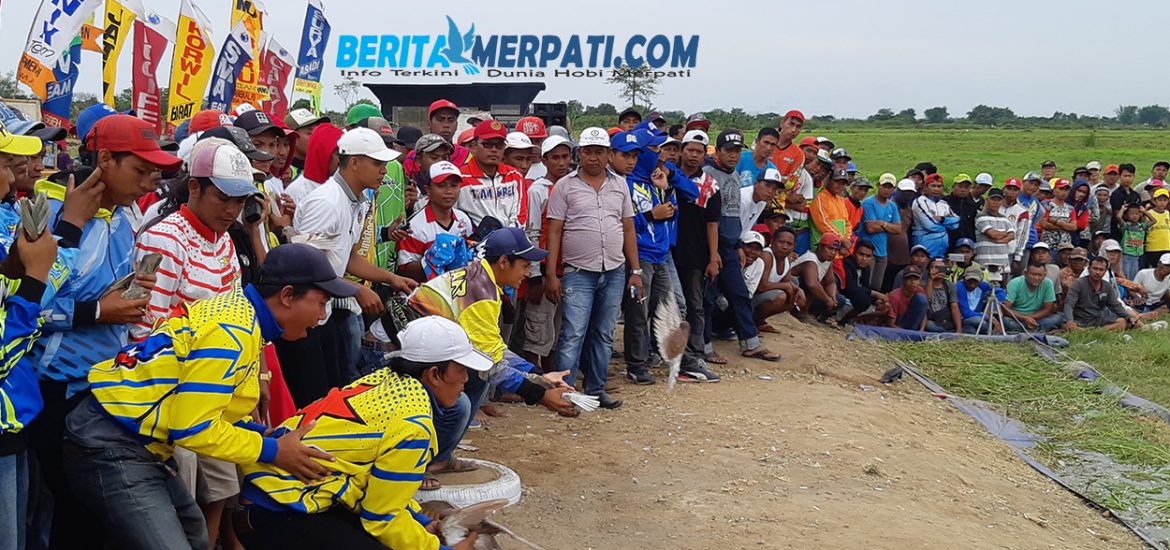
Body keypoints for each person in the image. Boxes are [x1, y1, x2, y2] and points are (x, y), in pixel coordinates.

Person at [62, 243, 357, 550]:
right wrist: (272, 450)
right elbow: (192, 427)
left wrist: (265, 435)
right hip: (109, 442)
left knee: (195, 536)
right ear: (287, 296)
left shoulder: (240, 313)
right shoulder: (232, 332)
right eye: (321, 303)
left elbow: (206, 405)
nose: (321, 316)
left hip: (128, 439)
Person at [27, 114, 181, 549]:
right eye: (140, 170)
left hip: (99, 385)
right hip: (52, 390)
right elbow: (25, 308)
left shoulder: (125, 215)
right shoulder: (54, 214)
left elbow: (102, 291)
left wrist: (130, 291)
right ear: (106, 160)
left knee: (96, 515)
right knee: (63, 515)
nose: (149, 182)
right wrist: (97, 310)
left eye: (155, 173)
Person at [237, 317, 495, 550]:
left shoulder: (380, 380)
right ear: (435, 374)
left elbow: (379, 489)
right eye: (461, 369)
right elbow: (381, 519)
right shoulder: (413, 426)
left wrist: (419, 519)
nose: (466, 379)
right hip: (277, 511)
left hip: (264, 497)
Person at [409, 227, 576, 477]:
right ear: (504, 262)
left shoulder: (482, 278)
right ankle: (420, 466)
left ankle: (440, 458)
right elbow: (490, 365)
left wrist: (540, 374)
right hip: (397, 357)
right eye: (524, 266)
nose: (528, 273)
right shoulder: (482, 292)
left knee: (474, 379)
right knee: (460, 400)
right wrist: (540, 394)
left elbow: (493, 350)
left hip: (416, 352)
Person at [288, 128, 417, 404]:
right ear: (355, 162)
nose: (384, 170)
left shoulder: (355, 200)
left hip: (323, 311)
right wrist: (357, 290)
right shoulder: (326, 203)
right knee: (312, 398)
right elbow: (304, 267)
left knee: (334, 390)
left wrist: (390, 278)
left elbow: (346, 257)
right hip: (303, 317)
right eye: (377, 163)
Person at [0, 124, 66, 550]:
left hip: (15, 419)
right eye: (6, 164)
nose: (14, 176)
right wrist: (36, 279)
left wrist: (13, 270)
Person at [543, 128, 642, 409]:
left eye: (600, 151)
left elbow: (628, 228)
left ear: (608, 154)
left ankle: (597, 389)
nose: (594, 157)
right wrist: (551, 274)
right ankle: (565, 394)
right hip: (578, 271)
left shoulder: (620, 184)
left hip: (614, 270)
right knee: (573, 333)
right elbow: (554, 231)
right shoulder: (565, 186)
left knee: (604, 332)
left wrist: (636, 271)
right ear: (580, 154)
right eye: (588, 151)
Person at [703, 129, 781, 362]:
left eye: (737, 151)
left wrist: (737, 245)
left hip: (729, 246)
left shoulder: (735, 177)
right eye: (729, 150)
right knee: (707, 298)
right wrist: (713, 252)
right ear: (718, 151)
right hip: (712, 247)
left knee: (739, 294)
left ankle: (750, 343)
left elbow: (734, 218)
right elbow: (709, 219)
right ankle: (704, 346)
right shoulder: (708, 174)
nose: (734, 155)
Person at [516, 135, 574, 371]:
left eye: (565, 157)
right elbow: (532, 232)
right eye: (555, 158)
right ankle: (534, 377)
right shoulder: (538, 190)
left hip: (567, 269)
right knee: (538, 330)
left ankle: (552, 376)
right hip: (545, 269)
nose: (561, 163)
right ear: (545, 160)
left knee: (557, 330)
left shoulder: (573, 186)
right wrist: (536, 275)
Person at [671, 130, 725, 376]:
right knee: (667, 304)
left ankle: (695, 352)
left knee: (694, 304)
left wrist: (713, 256)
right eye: (690, 150)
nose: (693, 155)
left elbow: (712, 224)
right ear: (681, 151)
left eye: (699, 151)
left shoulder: (710, 186)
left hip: (695, 255)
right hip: (668, 252)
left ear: (705, 155)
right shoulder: (668, 177)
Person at [395, 161, 474, 282]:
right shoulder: (414, 226)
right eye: (441, 186)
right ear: (428, 190)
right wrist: (429, 261)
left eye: (454, 185)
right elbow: (404, 270)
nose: (448, 191)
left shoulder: (463, 219)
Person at [457, 121, 527, 229]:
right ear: (475, 146)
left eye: (499, 145)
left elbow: (520, 216)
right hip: (476, 238)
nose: (494, 150)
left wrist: (506, 235)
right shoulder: (459, 177)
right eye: (487, 144)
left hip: (512, 236)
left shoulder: (515, 175)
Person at [1063, 257, 1141, 330]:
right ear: (1089, 269)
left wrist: (1128, 317)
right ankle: (1093, 331)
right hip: (1081, 320)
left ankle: (1095, 331)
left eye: (1101, 270)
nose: (1097, 272)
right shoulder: (1078, 284)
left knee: (1122, 322)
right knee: (1068, 326)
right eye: (1095, 268)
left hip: (1099, 319)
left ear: (1105, 271)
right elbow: (1069, 304)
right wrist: (1070, 320)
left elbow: (1115, 306)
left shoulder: (1107, 286)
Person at [402, 99, 471, 178]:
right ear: (429, 123)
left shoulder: (466, 155)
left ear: (456, 125)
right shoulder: (414, 156)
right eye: (440, 119)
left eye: (451, 120)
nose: (446, 125)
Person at [752, 225, 804, 329]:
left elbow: (787, 281)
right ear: (773, 241)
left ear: (794, 246)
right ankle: (750, 322)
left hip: (762, 295)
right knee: (781, 296)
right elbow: (761, 287)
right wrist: (785, 286)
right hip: (750, 298)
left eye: (789, 244)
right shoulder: (767, 256)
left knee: (795, 292)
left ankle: (758, 321)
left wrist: (799, 290)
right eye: (781, 242)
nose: (784, 247)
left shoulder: (786, 259)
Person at [859, 173, 902, 290]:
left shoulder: (892, 206)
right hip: (868, 251)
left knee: (877, 286)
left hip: (882, 252)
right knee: (866, 284)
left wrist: (883, 223)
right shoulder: (869, 203)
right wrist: (889, 226)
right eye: (884, 186)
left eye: (890, 187)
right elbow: (870, 228)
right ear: (878, 185)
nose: (886, 190)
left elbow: (898, 229)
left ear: (894, 189)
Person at [284, 123, 344, 206]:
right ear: (324, 154)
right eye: (339, 155)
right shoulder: (297, 191)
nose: (344, 161)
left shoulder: (343, 186)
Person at [793, 233, 842, 324]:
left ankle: (812, 314)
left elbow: (830, 282)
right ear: (820, 247)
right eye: (830, 248)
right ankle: (801, 312)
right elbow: (812, 284)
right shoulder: (810, 259)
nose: (833, 253)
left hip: (807, 292)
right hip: (794, 288)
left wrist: (832, 297)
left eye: (836, 250)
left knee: (840, 300)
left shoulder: (828, 261)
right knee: (812, 286)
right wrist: (827, 300)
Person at [1002, 262, 1065, 333]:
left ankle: (1028, 329)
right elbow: (1005, 308)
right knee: (1006, 321)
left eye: (1040, 275)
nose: (1036, 278)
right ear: (1025, 274)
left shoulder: (1048, 283)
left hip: (1037, 318)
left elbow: (1048, 309)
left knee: (1059, 318)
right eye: (1033, 274)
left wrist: (1031, 318)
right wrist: (1025, 318)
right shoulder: (1015, 283)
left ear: (1044, 275)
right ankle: (1035, 330)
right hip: (1017, 319)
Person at [839, 241, 888, 325]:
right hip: (844, 297)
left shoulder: (866, 268)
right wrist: (875, 294)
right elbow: (850, 288)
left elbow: (866, 287)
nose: (864, 259)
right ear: (854, 253)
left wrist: (877, 300)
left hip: (856, 297)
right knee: (863, 301)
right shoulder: (847, 263)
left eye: (868, 256)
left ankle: (851, 320)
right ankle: (843, 320)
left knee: (884, 306)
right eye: (861, 254)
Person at [912, 173, 959, 258]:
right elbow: (930, 225)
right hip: (925, 246)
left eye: (939, 186)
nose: (936, 189)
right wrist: (947, 225)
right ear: (925, 187)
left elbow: (956, 224)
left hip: (942, 248)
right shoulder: (920, 201)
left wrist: (943, 219)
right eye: (933, 186)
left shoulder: (943, 204)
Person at [284, 109, 331, 180]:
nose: (316, 137)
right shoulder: (279, 172)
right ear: (292, 136)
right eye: (310, 133)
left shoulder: (327, 168)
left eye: (317, 131)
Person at [974, 187, 1015, 269]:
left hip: (1003, 264)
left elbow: (1012, 236)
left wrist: (999, 240)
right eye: (993, 199)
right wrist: (1005, 234)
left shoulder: (1004, 218)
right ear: (987, 200)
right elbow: (993, 234)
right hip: (984, 264)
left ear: (1002, 201)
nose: (995, 202)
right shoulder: (980, 217)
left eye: (998, 200)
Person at [923, 259, 962, 334]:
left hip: (946, 319)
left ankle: (948, 333)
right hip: (932, 319)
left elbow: (954, 307)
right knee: (928, 324)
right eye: (936, 268)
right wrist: (931, 278)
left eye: (942, 268)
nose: (939, 271)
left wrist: (959, 330)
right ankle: (948, 334)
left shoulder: (950, 285)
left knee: (969, 329)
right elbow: (925, 300)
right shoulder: (924, 284)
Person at [1002, 178, 1031, 274]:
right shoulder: (995, 205)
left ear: (1019, 192)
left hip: (1009, 252)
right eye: (1009, 188)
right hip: (991, 249)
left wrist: (1017, 256)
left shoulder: (1023, 211)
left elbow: (1022, 235)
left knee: (1006, 278)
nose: (1011, 192)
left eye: (1015, 190)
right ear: (1004, 189)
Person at [957, 266, 998, 334]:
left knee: (974, 329)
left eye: (975, 281)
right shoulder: (959, 287)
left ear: (981, 280)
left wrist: (994, 306)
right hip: (963, 318)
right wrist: (987, 316)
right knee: (981, 323)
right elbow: (965, 313)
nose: (972, 284)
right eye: (969, 280)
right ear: (964, 279)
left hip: (977, 315)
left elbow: (999, 291)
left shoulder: (983, 285)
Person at [886, 266, 928, 330]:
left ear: (919, 281)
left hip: (915, 324)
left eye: (916, 279)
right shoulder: (894, 296)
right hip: (899, 325)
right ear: (904, 280)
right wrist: (906, 333)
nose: (913, 282)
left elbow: (924, 314)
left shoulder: (920, 290)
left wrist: (921, 330)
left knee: (921, 298)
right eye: (910, 279)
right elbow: (890, 324)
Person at [1038, 178, 1076, 248]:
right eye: (1061, 189)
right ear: (1054, 189)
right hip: (1048, 243)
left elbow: (1073, 227)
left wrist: (1056, 221)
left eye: (1066, 190)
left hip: (1065, 245)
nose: (1063, 192)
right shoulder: (1046, 204)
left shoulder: (1070, 208)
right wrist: (1066, 226)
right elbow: (1044, 224)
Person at [944, 173, 979, 248]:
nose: (963, 190)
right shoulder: (944, 202)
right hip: (947, 242)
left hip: (966, 244)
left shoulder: (972, 205)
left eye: (966, 187)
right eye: (960, 186)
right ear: (953, 187)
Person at [1118, 202, 1151, 279]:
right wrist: (1122, 209)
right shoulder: (1126, 226)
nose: (1134, 216)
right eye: (1131, 214)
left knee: (1134, 276)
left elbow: (1154, 220)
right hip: (1126, 255)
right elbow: (1118, 217)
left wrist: (1144, 211)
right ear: (1126, 216)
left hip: (1137, 256)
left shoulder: (1142, 226)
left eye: (1137, 213)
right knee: (1126, 276)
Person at [1145, 188, 1170, 268]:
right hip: (1153, 247)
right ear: (1154, 201)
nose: (1162, 202)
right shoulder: (1149, 213)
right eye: (1160, 200)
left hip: (1166, 246)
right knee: (1154, 268)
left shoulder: (1167, 213)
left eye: (1165, 200)